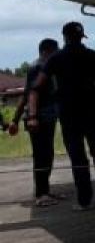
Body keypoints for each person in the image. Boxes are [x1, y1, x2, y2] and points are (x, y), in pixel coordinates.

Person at [25, 22, 95, 210]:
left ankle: (84, 201)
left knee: (78, 159)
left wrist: (32, 115)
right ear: (81, 37)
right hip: (93, 112)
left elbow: (35, 88)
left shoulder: (55, 59)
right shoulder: (94, 56)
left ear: (64, 38)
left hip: (69, 115)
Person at [7, 39, 63, 207]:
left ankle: (45, 190)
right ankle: (40, 194)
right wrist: (29, 117)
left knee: (47, 154)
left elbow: (25, 95)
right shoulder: (38, 67)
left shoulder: (44, 68)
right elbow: (30, 94)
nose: (57, 54)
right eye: (55, 51)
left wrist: (16, 119)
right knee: (41, 155)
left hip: (46, 116)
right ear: (46, 51)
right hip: (38, 118)